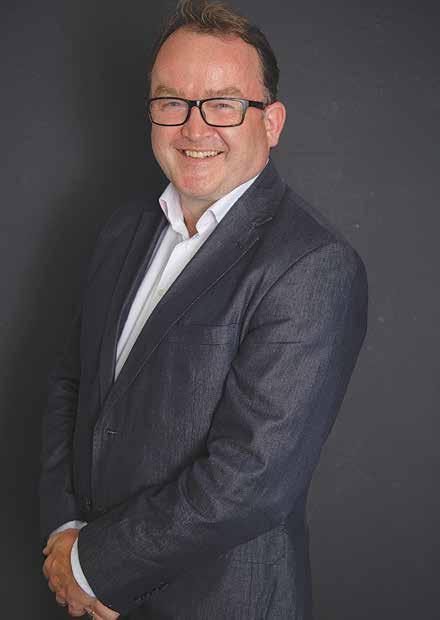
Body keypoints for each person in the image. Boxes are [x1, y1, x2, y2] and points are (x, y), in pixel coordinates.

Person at [40, 1, 368, 618]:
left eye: (223, 104)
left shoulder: (312, 264)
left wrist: (91, 565)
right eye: (172, 102)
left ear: (271, 122)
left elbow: (250, 479)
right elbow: (71, 383)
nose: (194, 129)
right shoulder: (120, 231)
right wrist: (64, 532)